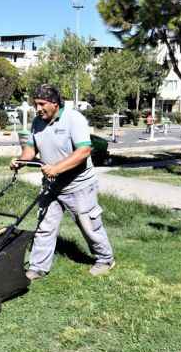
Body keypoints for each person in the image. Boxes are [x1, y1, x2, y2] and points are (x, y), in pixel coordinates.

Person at [11, 84, 115, 280]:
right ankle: (38, 267)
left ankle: (105, 259)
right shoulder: (37, 122)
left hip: (79, 185)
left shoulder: (74, 119)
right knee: (45, 225)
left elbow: (84, 151)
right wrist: (20, 161)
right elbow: (31, 149)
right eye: (36, 104)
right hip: (52, 185)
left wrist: (56, 168)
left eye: (42, 104)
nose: (38, 108)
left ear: (55, 103)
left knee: (89, 225)